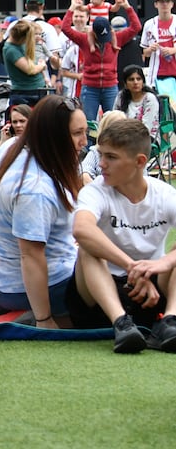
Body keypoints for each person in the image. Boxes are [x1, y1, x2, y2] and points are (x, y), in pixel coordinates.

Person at [0, 95, 87, 327]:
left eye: (86, 132)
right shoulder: (34, 188)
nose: (85, 141)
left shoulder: (11, 148)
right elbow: (31, 256)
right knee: (107, 276)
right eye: (77, 133)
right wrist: (44, 319)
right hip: (18, 287)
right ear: (53, 136)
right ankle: (32, 317)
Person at [69, 117, 176, 352]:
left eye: (111, 157)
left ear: (139, 162)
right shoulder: (95, 191)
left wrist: (163, 263)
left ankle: (170, 321)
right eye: (101, 155)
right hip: (100, 291)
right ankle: (122, 325)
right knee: (88, 246)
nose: (101, 164)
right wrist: (133, 267)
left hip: (152, 289)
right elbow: (81, 229)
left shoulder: (164, 194)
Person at [61, 0, 141, 125]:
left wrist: (128, 7)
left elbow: (136, 27)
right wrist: (71, 9)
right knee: (89, 123)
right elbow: (66, 28)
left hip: (110, 86)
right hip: (90, 87)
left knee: (114, 123)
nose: (104, 41)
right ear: (93, 33)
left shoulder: (117, 38)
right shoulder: (84, 40)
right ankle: (88, 146)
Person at [2, 19, 50, 109]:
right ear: (21, 38)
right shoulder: (10, 49)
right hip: (25, 94)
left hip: (37, 90)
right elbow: (30, 70)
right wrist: (42, 66)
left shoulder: (19, 44)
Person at [140, 0, 176, 107]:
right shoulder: (149, 24)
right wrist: (150, 49)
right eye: (161, 2)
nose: (164, 4)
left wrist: (173, 50)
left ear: (172, 4)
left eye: (167, 1)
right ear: (156, 4)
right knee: (161, 108)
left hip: (174, 70)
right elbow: (145, 52)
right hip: (157, 73)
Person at [115, 65, 161, 142]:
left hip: (147, 138)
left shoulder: (149, 99)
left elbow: (146, 128)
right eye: (131, 79)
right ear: (125, 84)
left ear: (143, 82)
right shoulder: (121, 96)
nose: (135, 82)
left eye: (138, 79)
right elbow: (114, 118)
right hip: (123, 136)